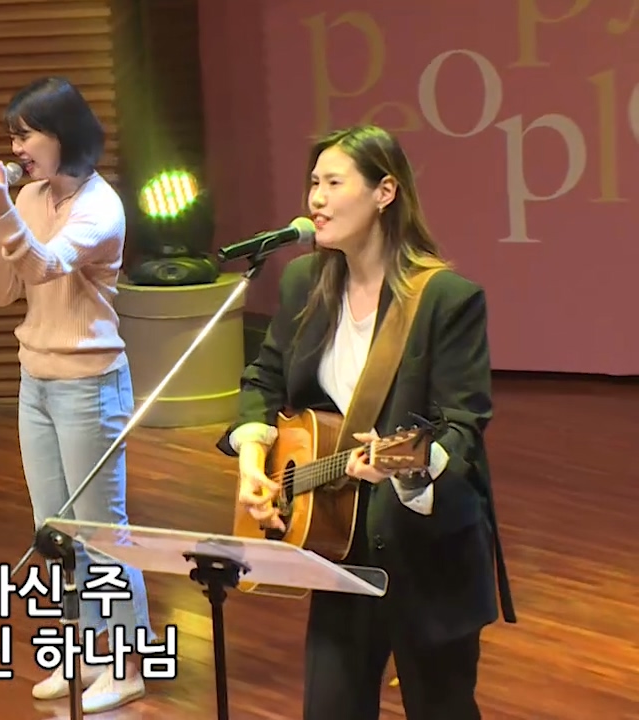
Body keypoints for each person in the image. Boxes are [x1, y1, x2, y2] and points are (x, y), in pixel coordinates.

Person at [218, 124, 515, 719]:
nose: (316, 199)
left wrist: (407, 465)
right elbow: (264, 378)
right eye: (313, 183)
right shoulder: (305, 282)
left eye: (334, 183)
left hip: (427, 553)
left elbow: (460, 430)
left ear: (385, 192)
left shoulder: (446, 298)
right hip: (336, 546)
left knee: (441, 709)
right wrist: (253, 463)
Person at [0, 76, 153, 714]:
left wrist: (6, 213)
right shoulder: (30, 197)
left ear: (62, 134)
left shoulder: (101, 207)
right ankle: (86, 654)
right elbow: (4, 291)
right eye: (13, 136)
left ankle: (128, 664)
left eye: (26, 135)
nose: (17, 149)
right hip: (35, 378)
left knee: (99, 531)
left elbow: (45, 265)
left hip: (89, 383)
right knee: (54, 530)